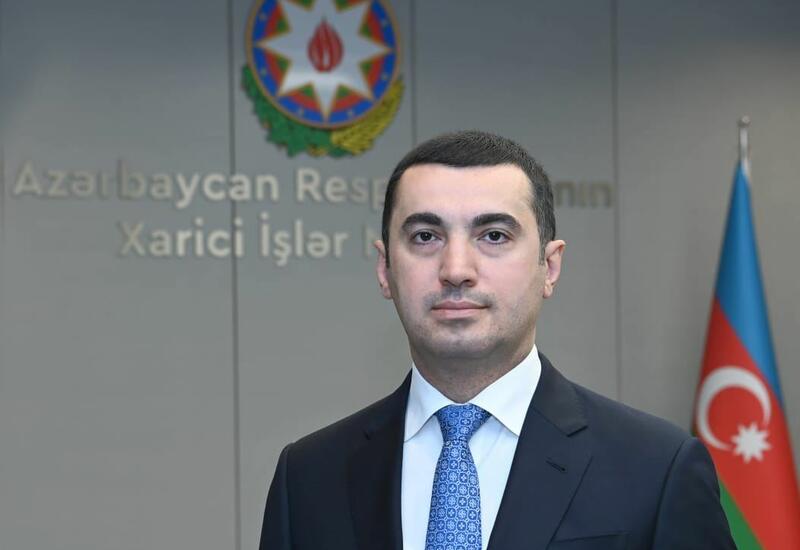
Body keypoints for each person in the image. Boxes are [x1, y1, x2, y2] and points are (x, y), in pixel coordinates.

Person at [259, 131, 735, 550]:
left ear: (549, 267)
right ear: (385, 269)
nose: (456, 270)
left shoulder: (656, 469)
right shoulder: (308, 477)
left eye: (493, 235)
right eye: (425, 236)